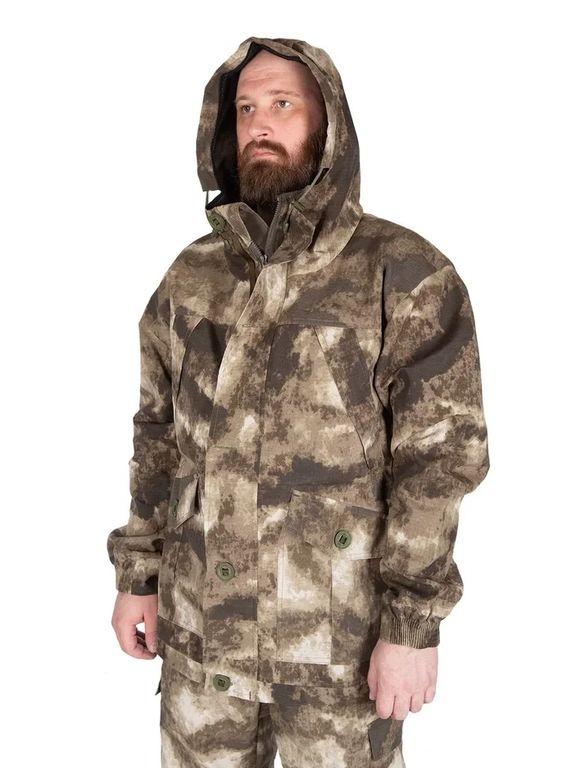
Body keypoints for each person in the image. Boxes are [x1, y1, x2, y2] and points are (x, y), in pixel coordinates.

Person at [107, 36, 490, 768]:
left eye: (282, 104)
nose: (260, 123)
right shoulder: (192, 276)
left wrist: (412, 628)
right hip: (202, 643)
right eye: (246, 108)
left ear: (328, 125)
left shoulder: (405, 273)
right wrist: (138, 576)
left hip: (337, 648)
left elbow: (440, 462)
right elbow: (158, 436)